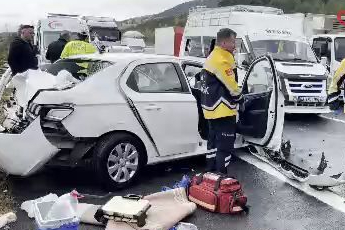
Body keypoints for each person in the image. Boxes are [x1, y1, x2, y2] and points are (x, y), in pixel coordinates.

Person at [200, 28, 243, 174]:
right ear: (224, 42)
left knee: (212, 143)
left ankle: (210, 172)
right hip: (223, 110)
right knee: (225, 145)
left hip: (211, 110)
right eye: (232, 42)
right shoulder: (222, 59)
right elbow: (231, 85)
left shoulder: (213, 55)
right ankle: (221, 175)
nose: (234, 46)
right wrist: (240, 98)